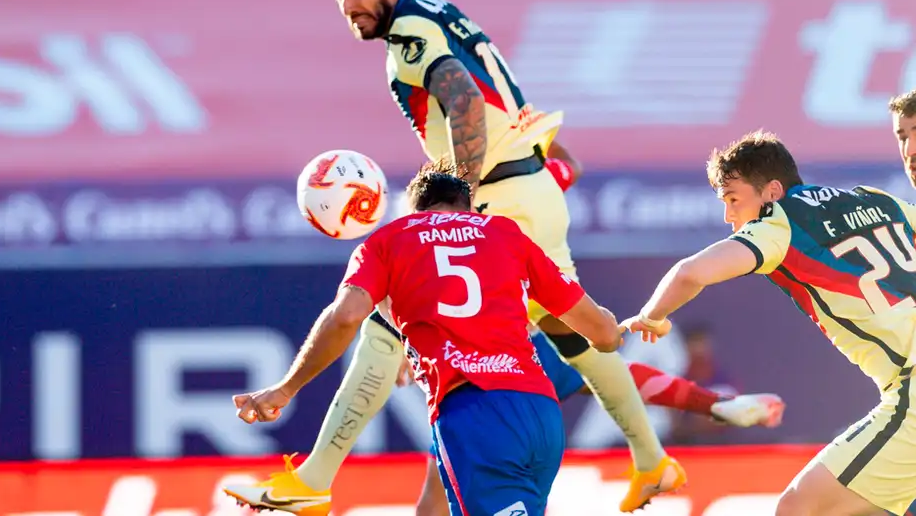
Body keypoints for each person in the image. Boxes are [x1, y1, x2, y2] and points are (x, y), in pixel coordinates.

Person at [227, 0, 684, 513]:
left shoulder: (408, 33)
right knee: (573, 331)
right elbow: (504, 99)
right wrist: (544, 163)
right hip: (532, 185)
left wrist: (459, 203)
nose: (349, 5)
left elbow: (465, 100)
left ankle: (314, 479)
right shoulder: (448, 15)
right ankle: (651, 461)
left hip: (498, 196)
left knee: (383, 318)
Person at [226, 160, 623, 516]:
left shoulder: (389, 241)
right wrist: (619, 326)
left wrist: (286, 387)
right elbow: (603, 335)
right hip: (540, 412)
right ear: (467, 207)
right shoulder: (506, 234)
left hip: (474, 411)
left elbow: (346, 316)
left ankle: (312, 482)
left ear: (415, 210)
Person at [411, 155, 784, 516]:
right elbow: (612, 368)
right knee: (590, 361)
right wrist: (714, 404)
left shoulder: (411, 254)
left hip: (467, 410)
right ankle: (653, 457)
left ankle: (653, 458)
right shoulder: (509, 246)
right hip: (518, 406)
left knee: (434, 504)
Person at [620, 129, 916, 516]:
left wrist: (651, 317)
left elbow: (690, 273)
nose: (729, 216)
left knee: (798, 509)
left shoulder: (780, 222)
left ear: (773, 191)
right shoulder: (880, 201)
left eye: (733, 199)